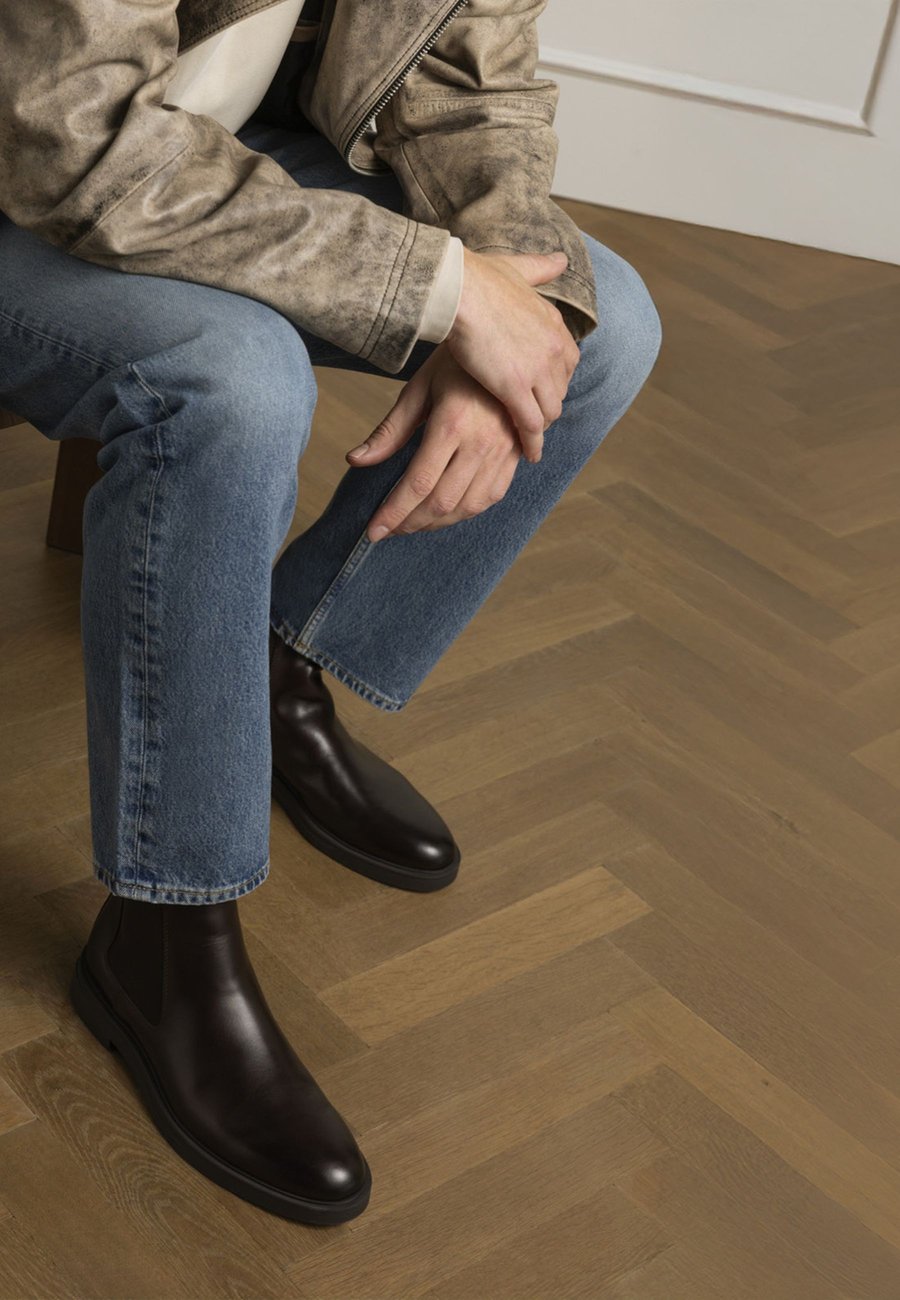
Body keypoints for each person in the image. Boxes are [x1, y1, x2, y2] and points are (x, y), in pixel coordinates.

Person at [0, 0, 662, 1225]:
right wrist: (442, 290)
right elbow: (70, 145)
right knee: (233, 386)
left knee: (597, 322)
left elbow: (471, 77)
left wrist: (504, 298)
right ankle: (165, 934)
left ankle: (274, 667)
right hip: (33, 168)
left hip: (206, 153)